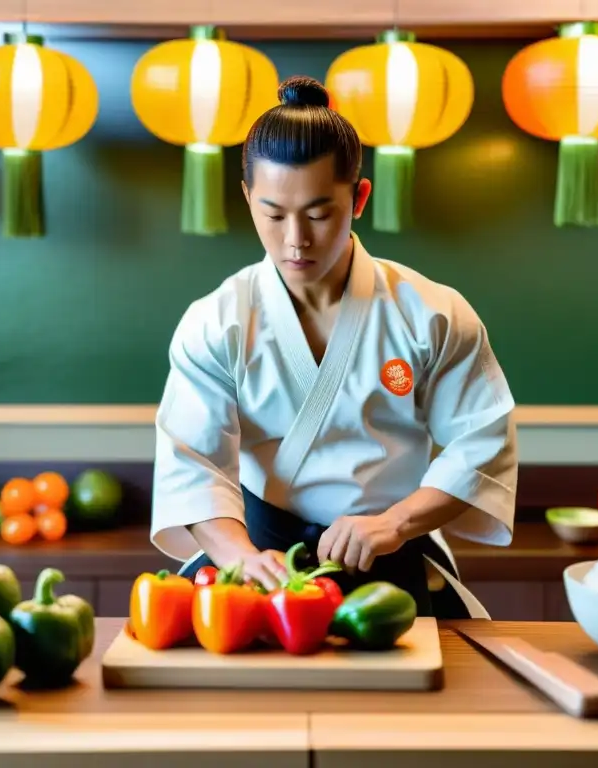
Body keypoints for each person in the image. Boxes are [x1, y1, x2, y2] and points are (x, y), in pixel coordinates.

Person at [149, 74, 518, 619]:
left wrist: (397, 522)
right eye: (273, 214)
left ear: (359, 198)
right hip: (254, 562)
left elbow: (482, 445)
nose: (295, 240)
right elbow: (193, 465)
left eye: (319, 214)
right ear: (247, 196)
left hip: (390, 560)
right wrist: (239, 556)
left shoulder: (432, 314)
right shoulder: (217, 322)